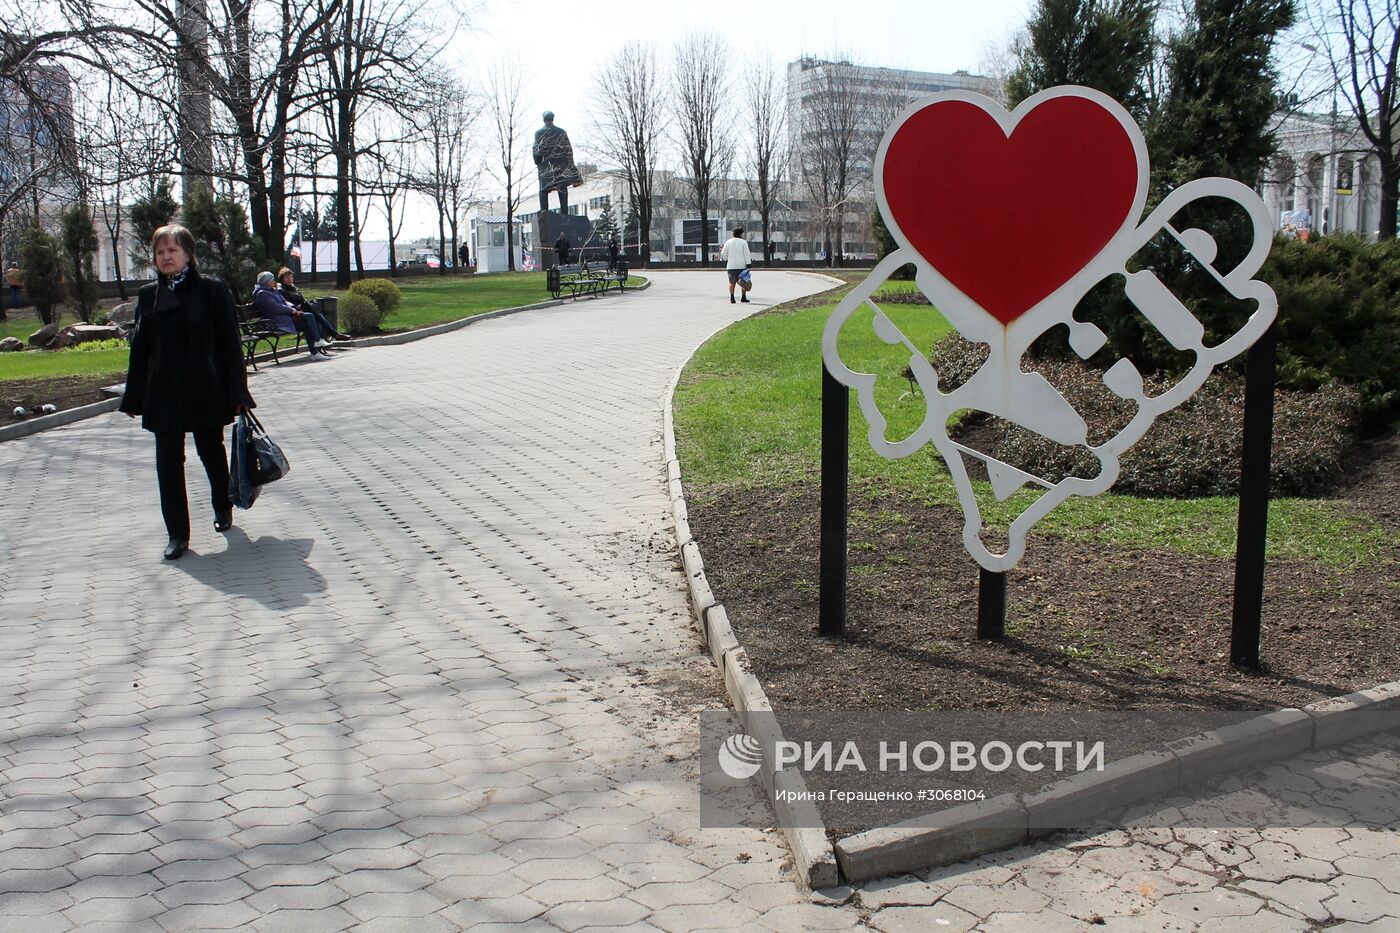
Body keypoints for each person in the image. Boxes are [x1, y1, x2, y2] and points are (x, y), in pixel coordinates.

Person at [120, 224, 256, 561]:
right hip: (163, 393)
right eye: (160, 252)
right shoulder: (148, 295)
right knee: (167, 463)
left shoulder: (211, 290)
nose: (165, 257)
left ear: (188, 254)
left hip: (204, 389)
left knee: (211, 452)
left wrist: (238, 391)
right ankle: (177, 534)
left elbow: (229, 345)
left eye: (172, 250)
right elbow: (141, 349)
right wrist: (134, 396)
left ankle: (222, 507)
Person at [253, 271, 332, 358]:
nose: (274, 282)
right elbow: (276, 307)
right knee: (309, 316)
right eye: (272, 280)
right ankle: (317, 342)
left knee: (309, 322)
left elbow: (285, 301)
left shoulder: (272, 291)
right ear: (267, 282)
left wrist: (294, 307)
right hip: (277, 322)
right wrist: (292, 311)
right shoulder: (262, 294)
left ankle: (315, 353)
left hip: (285, 318)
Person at [275, 267, 348, 341]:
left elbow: (301, 299)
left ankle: (327, 336)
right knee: (316, 315)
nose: (290, 279)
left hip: (302, 309)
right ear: (282, 279)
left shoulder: (293, 287)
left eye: (291, 277)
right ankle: (331, 335)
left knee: (317, 315)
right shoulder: (281, 288)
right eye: (287, 277)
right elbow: (286, 301)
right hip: (294, 312)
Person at [533, 112, 583, 213]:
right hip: (560, 166)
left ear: (543, 119)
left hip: (546, 167)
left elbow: (536, 150)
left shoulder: (539, 133)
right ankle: (564, 212)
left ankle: (544, 212)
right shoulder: (561, 132)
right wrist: (570, 166)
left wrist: (537, 161)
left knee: (543, 190)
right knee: (562, 188)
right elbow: (568, 150)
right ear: (553, 118)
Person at [719, 227, 752, 304]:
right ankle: (743, 297)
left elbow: (723, 253)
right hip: (742, 266)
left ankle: (732, 298)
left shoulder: (728, 242)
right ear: (740, 234)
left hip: (731, 266)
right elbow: (747, 254)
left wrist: (726, 258)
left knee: (732, 282)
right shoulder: (743, 242)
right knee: (744, 281)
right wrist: (749, 265)